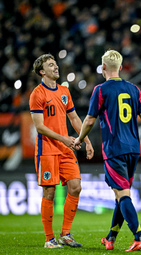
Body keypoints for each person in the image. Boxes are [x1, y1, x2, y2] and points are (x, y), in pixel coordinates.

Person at [74, 50, 141, 251]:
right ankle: (110, 238)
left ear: (103, 67)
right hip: (133, 149)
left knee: (122, 195)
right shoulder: (134, 89)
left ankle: (139, 237)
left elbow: (89, 120)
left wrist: (79, 139)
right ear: (121, 68)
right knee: (121, 195)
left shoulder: (101, 90)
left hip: (114, 149)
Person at [29, 54, 94, 248]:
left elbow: (74, 118)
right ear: (42, 71)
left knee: (76, 186)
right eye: (51, 65)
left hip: (65, 149)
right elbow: (39, 127)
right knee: (49, 193)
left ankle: (66, 234)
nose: (56, 67)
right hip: (46, 150)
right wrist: (65, 139)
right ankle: (49, 239)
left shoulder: (64, 90)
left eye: (56, 64)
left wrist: (86, 140)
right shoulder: (37, 94)